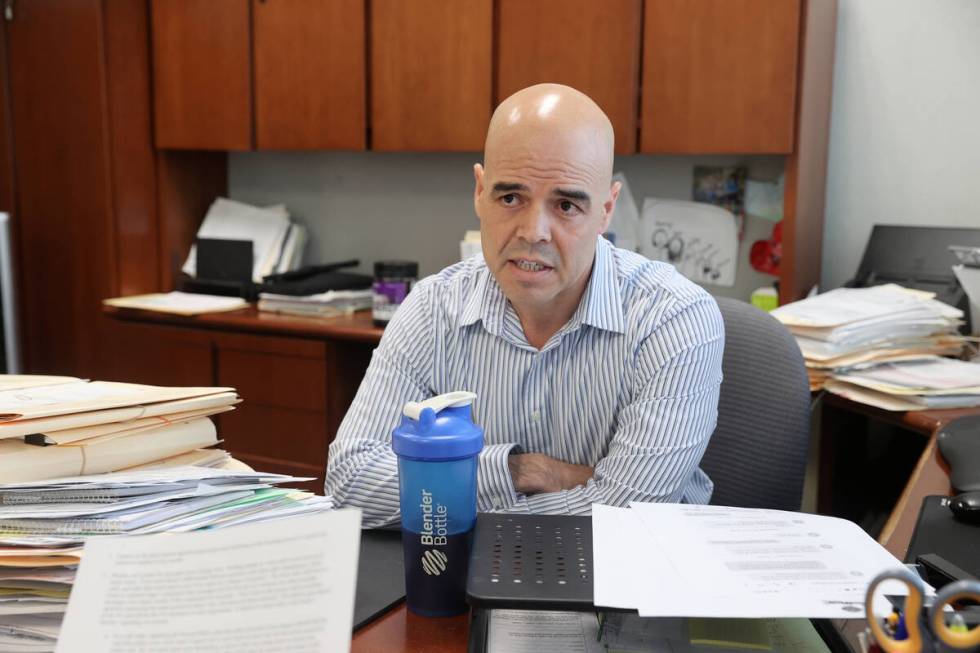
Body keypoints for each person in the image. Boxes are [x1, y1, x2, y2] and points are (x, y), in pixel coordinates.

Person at [326, 84, 724, 528]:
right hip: (460, 582)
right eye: (510, 198)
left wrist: (442, 488)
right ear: (480, 192)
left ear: (606, 210)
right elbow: (350, 482)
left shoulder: (674, 318)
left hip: (626, 588)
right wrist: (524, 471)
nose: (534, 231)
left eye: (567, 204)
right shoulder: (433, 307)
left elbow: (628, 519)